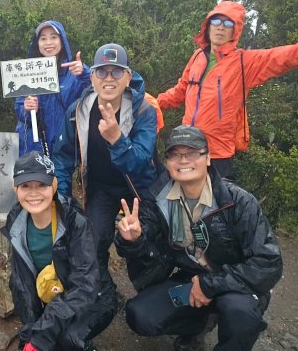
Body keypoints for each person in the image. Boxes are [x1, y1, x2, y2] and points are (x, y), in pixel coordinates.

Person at [115, 125, 283, 351]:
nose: (183, 160)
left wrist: (209, 285)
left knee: (238, 313)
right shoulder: (159, 200)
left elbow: (268, 263)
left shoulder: (238, 201)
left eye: (192, 153)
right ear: (167, 162)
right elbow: (143, 246)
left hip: (236, 284)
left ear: (208, 158)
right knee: (141, 315)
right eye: (175, 154)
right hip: (191, 279)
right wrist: (132, 239)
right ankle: (198, 327)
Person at [157, 0, 298, 181]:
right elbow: (180, 91)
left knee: (219, 206)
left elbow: (288, 56)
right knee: (181, 203)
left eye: (228, 23)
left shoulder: (244, 62)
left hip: (218, 154)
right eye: (216, 21)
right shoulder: (198, 57)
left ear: (235, 30)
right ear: (208, 26)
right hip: (188, 147)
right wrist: (153, 103)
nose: (220, 28)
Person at [53, 43, 159, 268]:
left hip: (140, 191)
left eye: (117, 71)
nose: (108, 78)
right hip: (100, 189)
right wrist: (63, 199)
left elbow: (141, 162)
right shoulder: (78, 111)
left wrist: (116, 139)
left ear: (128, 76)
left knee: (141, 246)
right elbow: (62, 158)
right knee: (92, 243)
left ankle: (146, 291)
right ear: (92, 77)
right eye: (102, 71)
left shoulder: (144, 112)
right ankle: (99, 291)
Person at [1, 151, 117, 351]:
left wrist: (42, 335)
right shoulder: (16, 221)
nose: (34, 193)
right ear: (15, 188)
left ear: (54, 185)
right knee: (38, 340)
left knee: (66, 338)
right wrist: (31, 332)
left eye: (42, 185)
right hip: (53, 294)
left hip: (94, 298)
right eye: (25, 186)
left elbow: (85, 286)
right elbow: (21, 282)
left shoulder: (75, 222)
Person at [14, 20, 90, 156]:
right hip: (33, 150)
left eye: (53, 37)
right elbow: (20, 111)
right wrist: (26, 109)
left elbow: (94, 96)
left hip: (66, 149)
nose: (48, 43)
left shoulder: (75, 73)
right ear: (37, 44)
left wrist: (85, 74)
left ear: (62, 41)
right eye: (43, 38)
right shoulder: (28, 72)